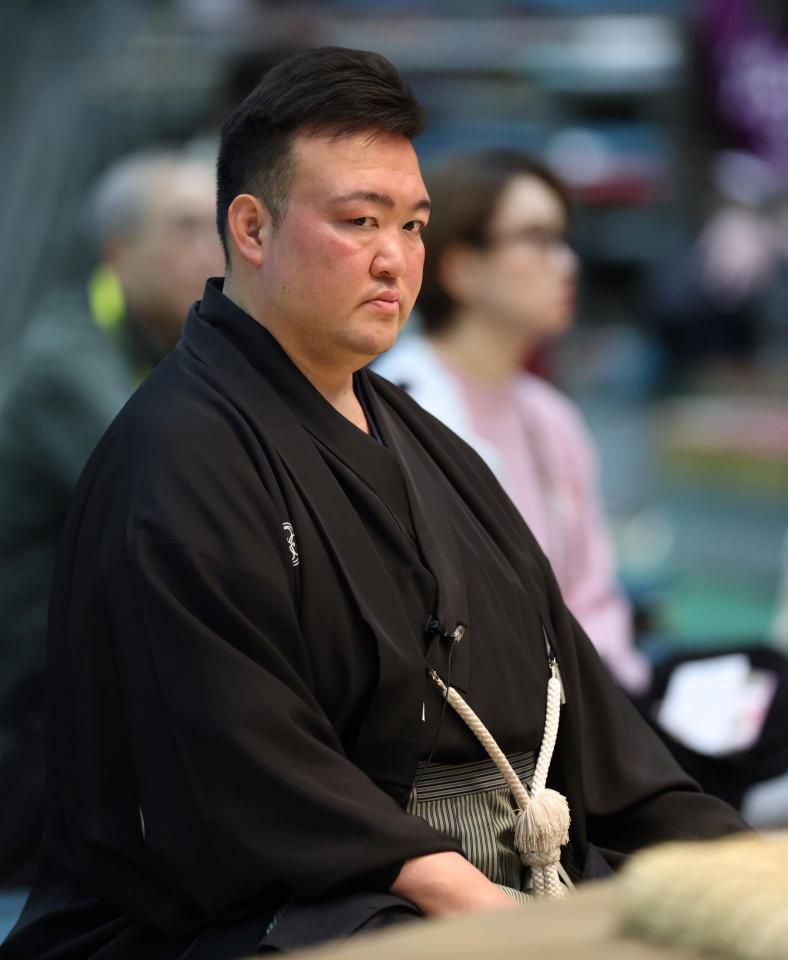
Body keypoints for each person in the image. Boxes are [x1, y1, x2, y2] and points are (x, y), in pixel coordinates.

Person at [1, 47, 746, 960]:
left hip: (495, 871)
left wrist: (722, 855)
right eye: (359, 221)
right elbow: (239, 771)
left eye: (414, 225)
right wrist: (470, 899)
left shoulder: (429, 444)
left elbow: (584, 711)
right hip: (265, 914)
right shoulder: (172, 457)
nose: (395, 259)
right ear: (252, 228)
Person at [0, 148, 222, 885]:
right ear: (120, 249)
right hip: (30, 726)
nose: (212, 251)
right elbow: (178, 505)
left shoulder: (170, 346)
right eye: (186, 227)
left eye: (216, 227)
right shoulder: (66, 361)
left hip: (103, 705)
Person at [375, 149, 651, 696]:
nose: (567, 263)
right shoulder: (394, 408)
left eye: (563, 239)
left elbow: (593, 599)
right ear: (460, 267)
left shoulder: (552, 417)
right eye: (537, 238)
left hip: (584, 712)